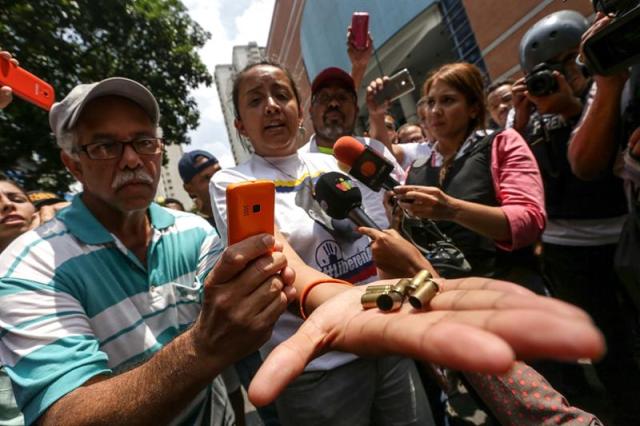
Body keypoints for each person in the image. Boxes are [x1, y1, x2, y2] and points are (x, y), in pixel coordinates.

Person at [0, 79, 607, 426]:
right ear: (70, 161)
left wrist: (343, 298)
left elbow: (273, 263)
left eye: (141, 141)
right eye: (104, 147)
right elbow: (65, 417)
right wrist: (209, 347)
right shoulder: (28, 267)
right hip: (311, 376)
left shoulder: (188, 235)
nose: (131, 159)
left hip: (375, 337)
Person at [211, 60, 434, 426]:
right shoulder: (232, 182)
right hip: (318, 366)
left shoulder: (334, 162)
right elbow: (281, 265)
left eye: (281, 95)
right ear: (240, 125)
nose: (271, 105)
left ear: (301, 112)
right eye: (255, 100)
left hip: (387, 339)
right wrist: (369, 307)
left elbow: (379, 239)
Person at [513, 10, 640, 424]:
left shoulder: (617, 85)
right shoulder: (534, 119)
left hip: (626, 235)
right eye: (556, 68)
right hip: (573, 255)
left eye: (575, 59)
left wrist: (583, 105)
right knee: (611, 351)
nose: (571, 73)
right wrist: (526, 117)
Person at [374, 62, 546, 288]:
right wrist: (398, 224)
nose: (435, 111)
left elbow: (529, 221)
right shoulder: (415, 170)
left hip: (509, 292)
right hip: (445, 302)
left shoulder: (501, 143)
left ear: (473, 107)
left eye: (448, 100)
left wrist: (451, 209)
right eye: (431, 102)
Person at [179, 149, 221, 224]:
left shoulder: (244, 209)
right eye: (207, 178)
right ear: (190, 189)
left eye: (219, 172)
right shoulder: (194, 227)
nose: (217, 181)